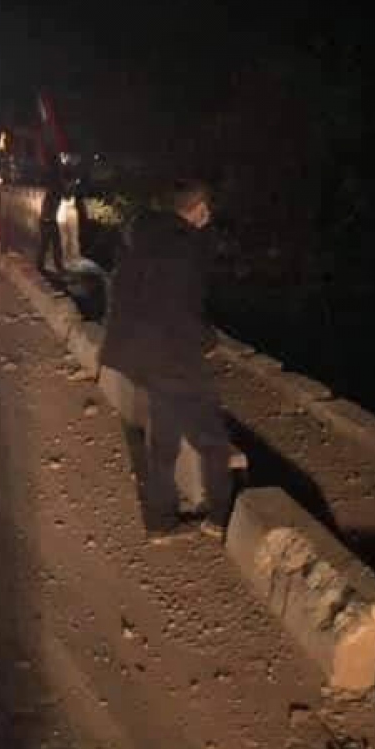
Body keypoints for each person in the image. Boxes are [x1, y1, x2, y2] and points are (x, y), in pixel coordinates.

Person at [98, 179, 234, 541]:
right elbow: (182, 307)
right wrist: (206, 341)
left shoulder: (143, 236)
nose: (209, 219)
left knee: (165, 438)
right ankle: (220, 518)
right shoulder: (183, 246)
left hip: (137, 354)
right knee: (214, 441)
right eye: (207, 212)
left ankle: (160, 521)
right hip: (172, 354)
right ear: (198, 209)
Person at [36, 166, 67, 274]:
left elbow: (66, 195)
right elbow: (47, 209)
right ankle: (42, 266)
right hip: (47, 222)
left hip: (49, 221)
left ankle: (54, 266)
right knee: (47, 245)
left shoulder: (55, 192)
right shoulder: (52, 193)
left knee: (54, 245)